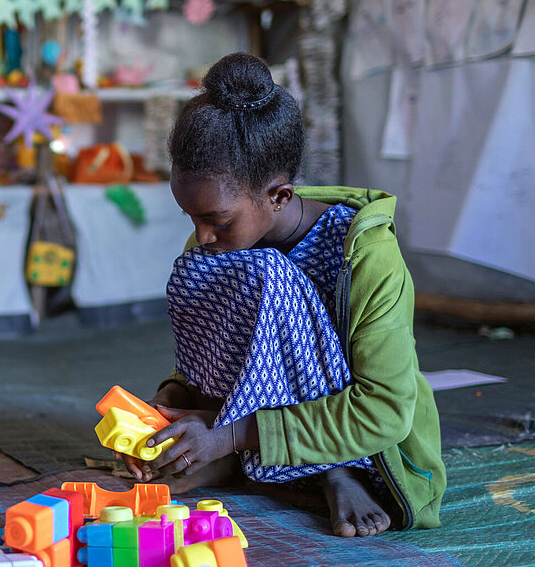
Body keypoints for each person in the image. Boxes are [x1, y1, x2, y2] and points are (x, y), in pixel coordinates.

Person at [120, 53, 445, 537]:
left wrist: (229, 434)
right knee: (216, 271)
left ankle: (335, 471)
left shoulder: (369, 255)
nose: (203, 236)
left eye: (217, 220)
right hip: (251, 421)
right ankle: (239, 451)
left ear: (280, 196)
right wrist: (165, 409)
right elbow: (213, 351)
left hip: (364, 445)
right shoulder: (221, 240)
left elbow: (385, 413)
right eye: (191, 218)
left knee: (266, 273)